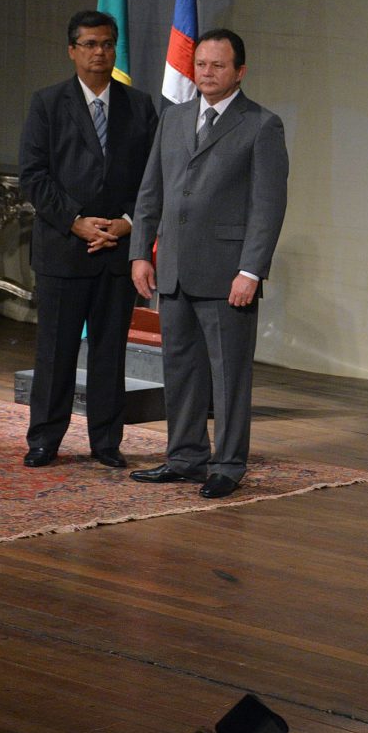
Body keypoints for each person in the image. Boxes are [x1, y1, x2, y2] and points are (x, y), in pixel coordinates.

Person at [128, 28, 288, 499]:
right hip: (174, 268)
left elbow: (268, 206)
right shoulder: (173, 119)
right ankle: (184, 457)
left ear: (240, 71)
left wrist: (251, 271)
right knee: (180, 370)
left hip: (227, 275)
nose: (207, 73)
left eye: (218, 65)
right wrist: (140, 252)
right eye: (201, 64)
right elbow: (150, 192)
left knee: (229, 375)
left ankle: (228, 464)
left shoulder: (261, 125)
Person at [18, 11, 159, 468]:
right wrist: (77, 222)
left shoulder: (140, 106)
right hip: (64, 248)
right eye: (90, 44)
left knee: (108, 351)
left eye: (107, 44)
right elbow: (34, 177)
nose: (100, 52)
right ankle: (44, 439)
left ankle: (105, 443)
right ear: (72, 50)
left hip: (117, 251)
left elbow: (153, 180)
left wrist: (127, 223)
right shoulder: (48, 103)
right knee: (56, 351)